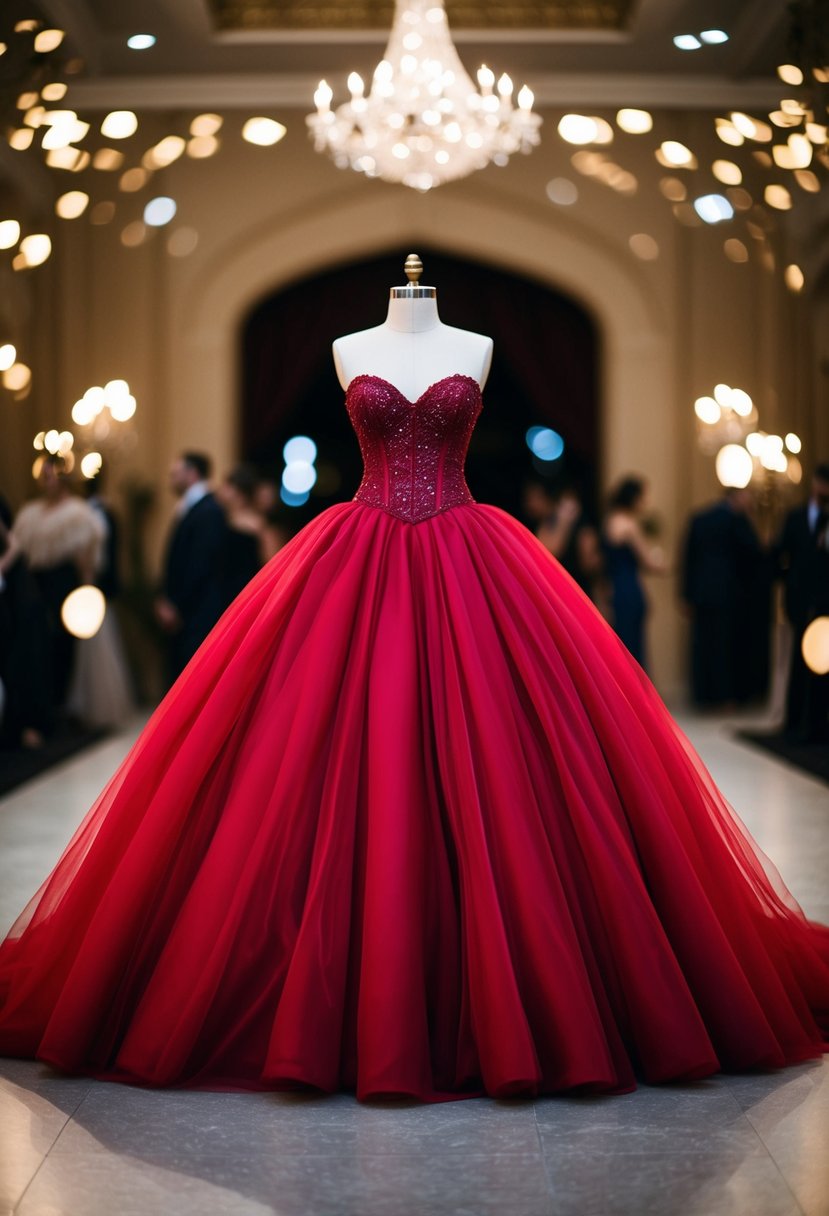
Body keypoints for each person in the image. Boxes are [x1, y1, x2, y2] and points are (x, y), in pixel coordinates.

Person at [0, 257, 826, 1104]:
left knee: (509, 760)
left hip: (472, 554)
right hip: (356, 549)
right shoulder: (345, 344)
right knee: (319, 750)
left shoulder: (479, 345)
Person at [11, 456, 105, 710]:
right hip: (35, 584)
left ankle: (60, 704)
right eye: (44, 475)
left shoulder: (76, 512)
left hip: (64, 584)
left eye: (51, 475)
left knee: (63, 645)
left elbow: (85, 557)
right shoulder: (30, 513)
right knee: (36, 643)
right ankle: (43, 704)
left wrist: (88, 591)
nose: (46, 480)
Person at [681, 488, 767, 709]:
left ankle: (704, 695)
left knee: (703, 644)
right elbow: (753, 552)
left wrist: (686, 594)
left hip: (701, 591)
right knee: (726, 645)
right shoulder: (737, 520)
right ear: (736, 497)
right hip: (728, 591)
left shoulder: (699, 518)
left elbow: (687, 559)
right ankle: (725, 696)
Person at [154, 452, 229, 684]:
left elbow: (199, 564)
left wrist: (175, 604)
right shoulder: (192, 507)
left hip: (197, 611)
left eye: (176, 474)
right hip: (186, 610)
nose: (171, 479)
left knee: (191, 677)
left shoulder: (209, 510)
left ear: (192, 474)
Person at [775, 463, 829, 742]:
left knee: (823, 661)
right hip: (799, 598)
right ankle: (794, 721)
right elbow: (780, 551)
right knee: (798, 660)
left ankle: (819, 724)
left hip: (825, 600)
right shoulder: (795, 516)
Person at [602, 476, 667, 669]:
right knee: (634, 648)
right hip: (630, 588)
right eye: (642, 497)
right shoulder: (629, 525)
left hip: (614, 588)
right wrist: (665, 564)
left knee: (620, 645)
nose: (645, 502)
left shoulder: (609, 521)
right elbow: (647, 561)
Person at [216, 465, 279, 603]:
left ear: (239, 492)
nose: (221, 489)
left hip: (245, 593)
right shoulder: (221, 519)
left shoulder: (260, 526)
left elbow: (271, 565)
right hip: (221, 591)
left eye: (227, 485)